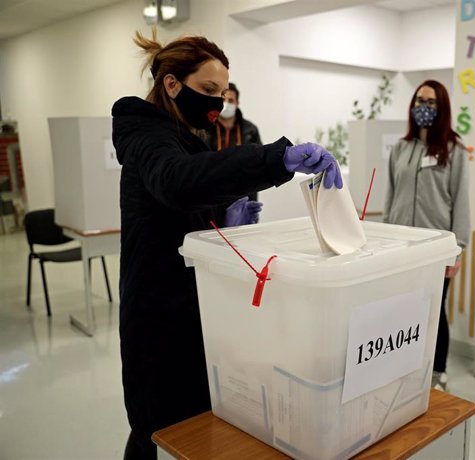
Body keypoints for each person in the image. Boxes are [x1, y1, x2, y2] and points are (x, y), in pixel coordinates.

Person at [112, 30, 342, 459]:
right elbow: (177, 182)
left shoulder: (183, 139)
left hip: (195, 315)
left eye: (222, 94)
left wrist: (218, 225)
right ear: (172, 84)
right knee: (159, 433)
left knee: (189, 431)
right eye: (208, 91)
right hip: (158, 325)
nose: (218, 104)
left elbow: (178, 209)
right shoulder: (145, 134)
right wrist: (277, 158)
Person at [383, 80, 470, 392]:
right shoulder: (401, 149)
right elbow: (391, 197)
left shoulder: (455, 151)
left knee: (434, 309)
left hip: (436, 249)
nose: (424, 106)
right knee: (402, 308)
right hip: (401, 248)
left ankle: (437, 373)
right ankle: (405, 366)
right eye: (420, 100)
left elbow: (460, 201)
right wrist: (384, 239)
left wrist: (457, 249)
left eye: (431, 102)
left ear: (442, 108)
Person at [206, 82, 262, 202]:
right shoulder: (206, 129)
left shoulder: (250, 130)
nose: (226, 104)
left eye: (231, 100)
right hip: (214, 194)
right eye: (223, 100)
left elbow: (259, 161)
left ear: (237, 103)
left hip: (244, 194)